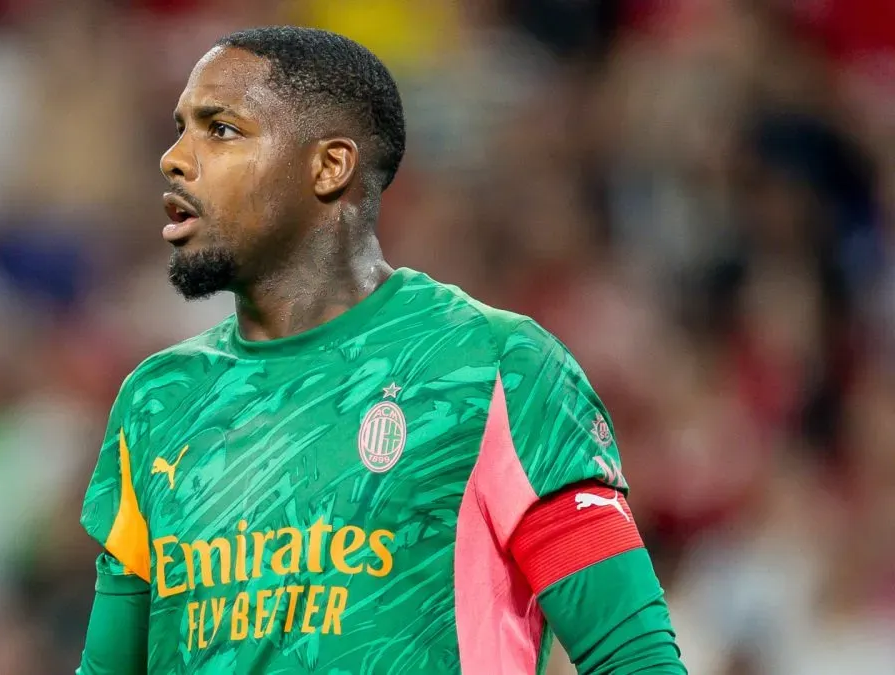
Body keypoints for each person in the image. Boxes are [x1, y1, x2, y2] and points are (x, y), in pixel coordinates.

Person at [77, 26, 686, 675]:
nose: (174, 158)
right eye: (179, 128)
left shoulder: (493, 367)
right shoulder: (160, 401)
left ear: (329, 165)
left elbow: (637, 660)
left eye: (220, 129)